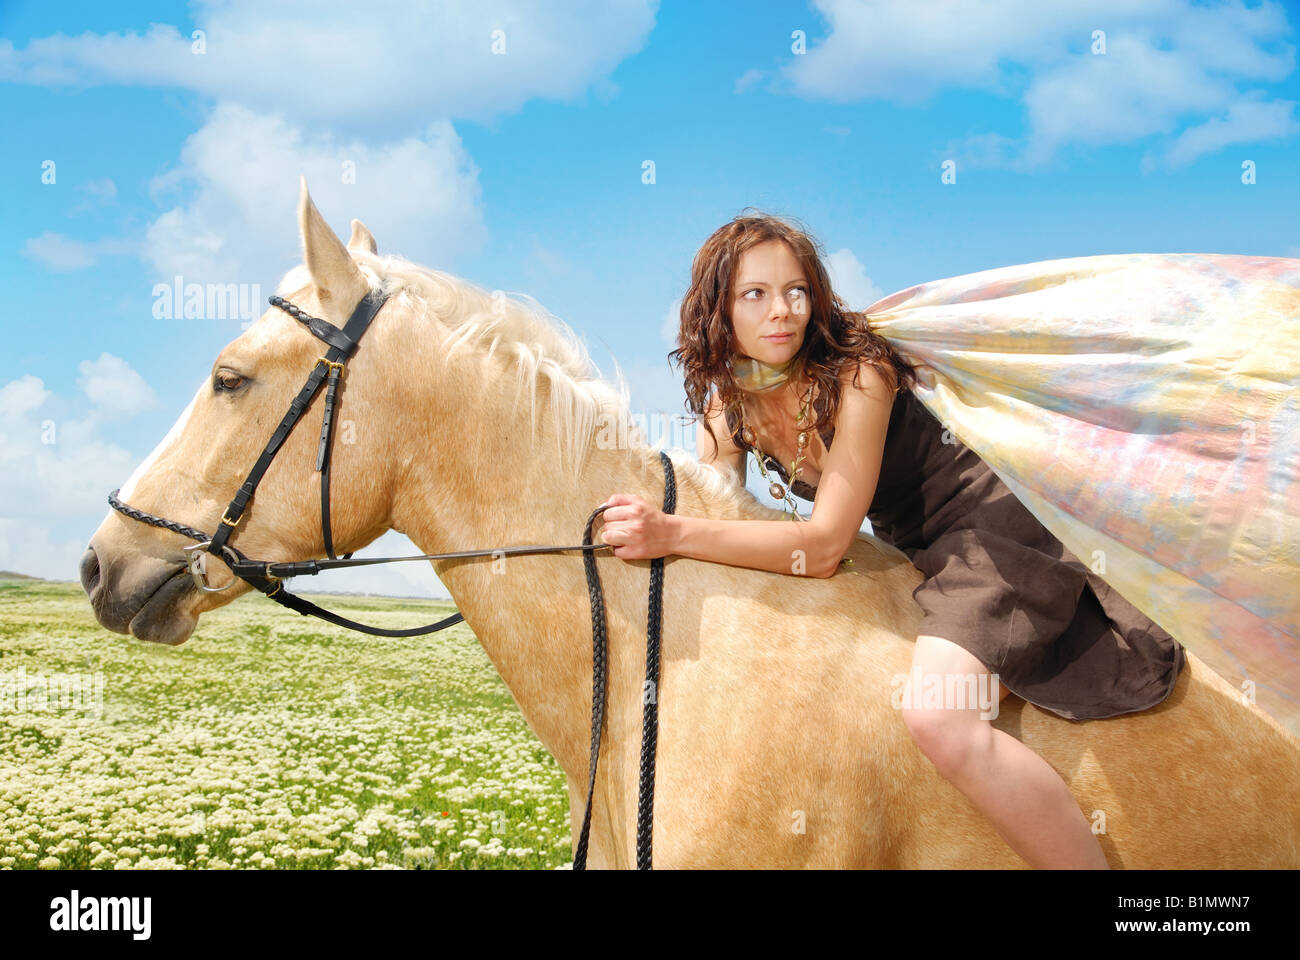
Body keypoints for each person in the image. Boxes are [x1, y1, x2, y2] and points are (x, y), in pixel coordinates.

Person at [598, 211, 1188, 870]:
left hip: (991, 531)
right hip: (910, 549)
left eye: (796, 290)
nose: (781, 311)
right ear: (720, 309)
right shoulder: (728, 406)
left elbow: (821, 545)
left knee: (940, 718)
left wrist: (670, 531)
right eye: (754, 294)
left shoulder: (860, 373)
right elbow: (718, 509)